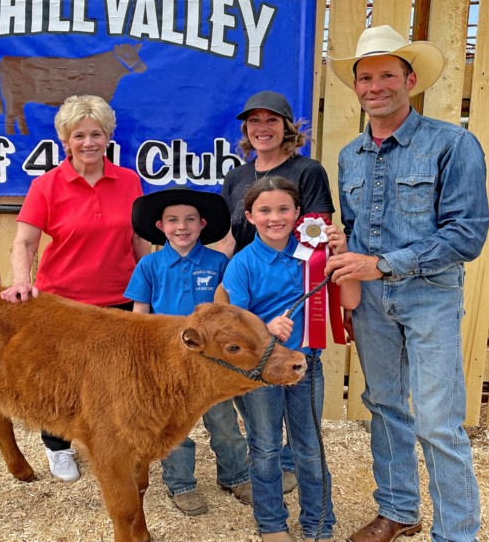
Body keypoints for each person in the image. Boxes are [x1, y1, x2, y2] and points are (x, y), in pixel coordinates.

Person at [325, 24, 489, 542]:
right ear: (356, 86)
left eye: (387, 76)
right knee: (385, 406)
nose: (376, 87)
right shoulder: (350, 156)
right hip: (371, 301)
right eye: (366, 77)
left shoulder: (452, 144)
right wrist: (342, 247)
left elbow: (466, 234)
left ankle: (456, 533)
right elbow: (355, 230)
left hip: (429, 296)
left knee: (439, 421)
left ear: (410, 80)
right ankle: (398, 510)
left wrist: (383, 264)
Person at [0, 94, 150, 482]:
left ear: (109, 137)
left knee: (117, 379)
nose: (88, 143)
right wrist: (21, 281)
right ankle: (58, 447)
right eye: (78, 135)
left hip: (119, 300)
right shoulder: (46, 186)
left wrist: (151, 285)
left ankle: (115, 444)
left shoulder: (130, 181)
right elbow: (25, 242)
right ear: (65, 140)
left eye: (96, 134)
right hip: (61, 302)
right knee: (59, 381)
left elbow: (139, 242)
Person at [219, 176, 361, 542]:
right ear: (249, 216)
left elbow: (351, 302)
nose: (275, 218)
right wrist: (264, 327)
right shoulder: (242, 264)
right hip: (261, 373)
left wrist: (343, 255)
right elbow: (233, 329)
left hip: (305, 367)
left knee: (309, 447)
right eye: (264, 210)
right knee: (265, 449)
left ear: (298, 213)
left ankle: (319, 525)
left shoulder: (316, 255)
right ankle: (272, 525)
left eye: (284, 209)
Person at [216, 90, 336, 495]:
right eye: (254, 121)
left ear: (288, 127)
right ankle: (271, 467)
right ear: (245, 130)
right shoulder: (236, 177)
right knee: (254, 391)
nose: (262, 128)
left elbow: (317, 240)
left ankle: (290, 472)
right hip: (251, 293)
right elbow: (230, 238)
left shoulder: (308, 170)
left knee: (298, 407)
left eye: (272, 120)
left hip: (295, 300)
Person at [124, 186, 252, 515]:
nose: (182, 226)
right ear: (160, 227)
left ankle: (236, 476)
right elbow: (140, 315)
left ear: (203, 224)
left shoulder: (219, 262)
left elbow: (227, 312)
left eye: (190, 219)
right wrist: (143, 358)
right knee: (172, 426)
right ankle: (181, 483)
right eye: (173, 220)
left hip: (211, 363)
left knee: (223, 420)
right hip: (167, 362)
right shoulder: (150, 265)